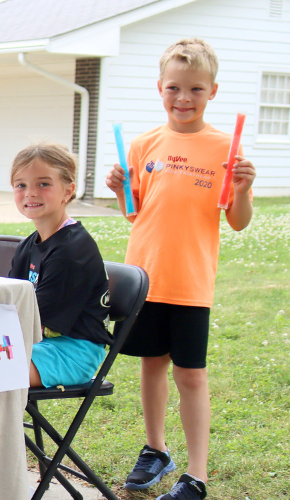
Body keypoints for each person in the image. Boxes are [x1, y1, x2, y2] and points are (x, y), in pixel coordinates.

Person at [106, 38, 255, 500]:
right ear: (160, 89)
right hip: (145, 279)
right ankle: (156, 450)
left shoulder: (224, 147)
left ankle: (196, 474)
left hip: (191, 281)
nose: (183, 98)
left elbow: (236, 221)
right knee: (152, 365)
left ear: (212, 91)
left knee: (190, 374)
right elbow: (137, 213)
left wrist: (245, 189)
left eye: (195, 89)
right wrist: (119, 189)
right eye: (174, 88)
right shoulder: (143, 143)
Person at [8, 143, 112, 390]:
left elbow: (31, 316)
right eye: (21, 185)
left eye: (43, 184)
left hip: (72, 353)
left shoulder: (72, 250)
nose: (30, 193)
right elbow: (10, 301)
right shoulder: (29, 245)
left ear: (68, 190)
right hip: (38, 344)